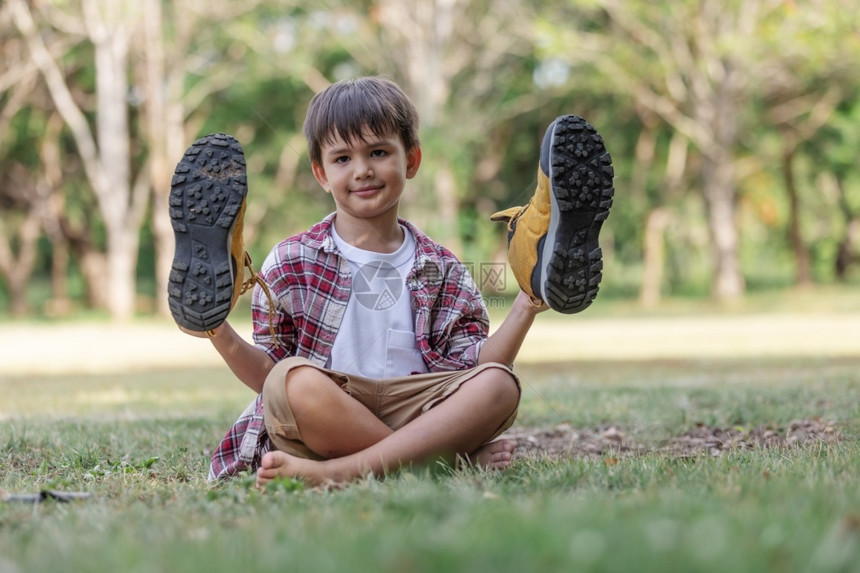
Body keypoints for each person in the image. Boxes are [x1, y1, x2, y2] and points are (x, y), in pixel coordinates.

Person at [167, 76, 613, 487]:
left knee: (499, 383)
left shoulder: (441, 266)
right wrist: (216, 329)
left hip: (417, 413)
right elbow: (269, 377)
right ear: (322, 173)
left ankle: (339, 473)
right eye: (343, 158)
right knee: (291, 380)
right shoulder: (292, 258)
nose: (361, 170)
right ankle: (438, 463)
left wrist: (528, 302)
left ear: (411, 159)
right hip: (325, 420)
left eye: (378, 153)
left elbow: (473, 366)